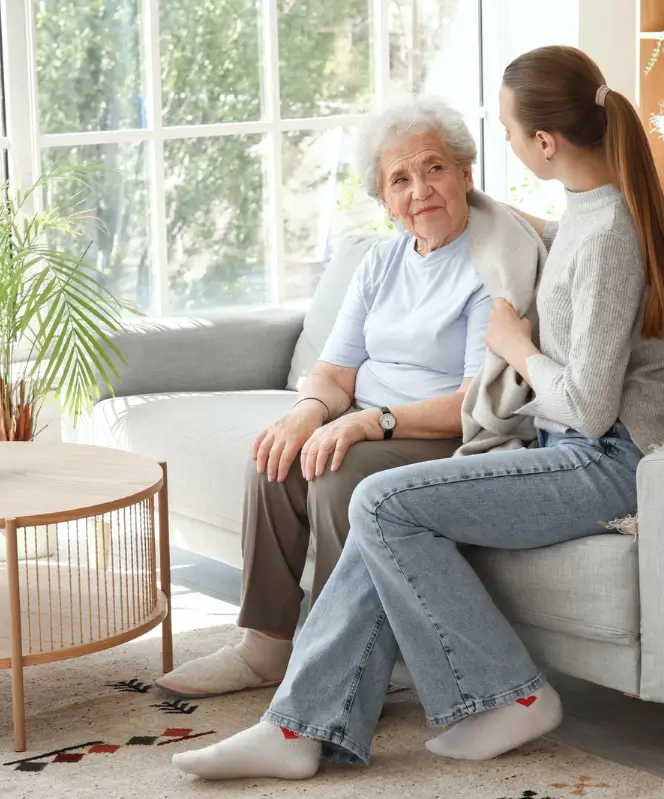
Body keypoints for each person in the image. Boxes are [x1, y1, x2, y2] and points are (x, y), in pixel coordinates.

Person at [172, 44, 664, 780]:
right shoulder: (583, 215)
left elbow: (589, 407)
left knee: (379, 499)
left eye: (508, 132)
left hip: (605, 461)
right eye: (403, 180)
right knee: (380, 507)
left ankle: (509, 694)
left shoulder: (607, 234)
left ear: (543, 142)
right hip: (567, 448)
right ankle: (298, 728)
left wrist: (515, 347)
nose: (502, 147)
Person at [156, 98, 492, 698]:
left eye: (435, 168)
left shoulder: (490, 268)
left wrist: (368, 424)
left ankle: (345, 663)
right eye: (401, 179)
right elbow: (333, 371)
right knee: (277, 455)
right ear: (384, 200)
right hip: (368, 423)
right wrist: (307, 414)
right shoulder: (380, 263)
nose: (421, 190)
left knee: (340, 473)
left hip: (439, 434)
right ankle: (266, 649)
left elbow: (470, 404)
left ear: (466, 173)